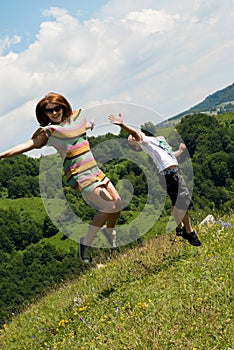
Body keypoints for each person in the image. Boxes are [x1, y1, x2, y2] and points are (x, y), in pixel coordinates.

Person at [0, 92, 121, 263]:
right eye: (50, 111)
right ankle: (85, 244)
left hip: (95, 170)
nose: (55, 113)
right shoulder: (50, 131)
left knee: (118, 204)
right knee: (108, 206)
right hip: (80, 175)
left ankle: (110, 233)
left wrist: (90, 125)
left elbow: (78, 128)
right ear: (45, 114)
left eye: (57, 108)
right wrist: (2, 155)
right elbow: (27, 145)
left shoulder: (77, 119)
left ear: (63, 107)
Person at [108, 113, 201, 246]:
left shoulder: (156, 141)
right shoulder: (144, 141)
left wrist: (180, 151)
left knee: (177, 203)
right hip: (169, 174)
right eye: (131, 138)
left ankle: (180, 227)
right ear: (136, 145)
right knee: (182, 203)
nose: (132, 137)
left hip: (171, 173)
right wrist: (123, 125)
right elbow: (136, 134)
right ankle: (189, 232)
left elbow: (169, 155)